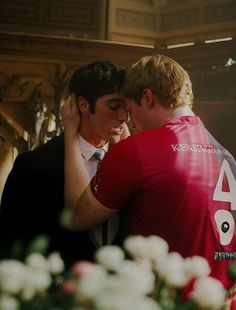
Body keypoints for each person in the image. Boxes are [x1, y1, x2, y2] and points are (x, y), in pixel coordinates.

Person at [61, 54, 236, 287]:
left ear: (147, 97)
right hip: (220, 305)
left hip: (168, 305)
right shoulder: (226, 155)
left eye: (131, 112)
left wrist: (71, 135)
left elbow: (76, 217)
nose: (129, 122)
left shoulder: (137, 150)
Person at [0, 60, 129, 265]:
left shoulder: (132, 160)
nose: (124, 116)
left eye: (127, 106)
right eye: (114, 106)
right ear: (83, 105)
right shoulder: (33, 166)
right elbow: (12, 243)